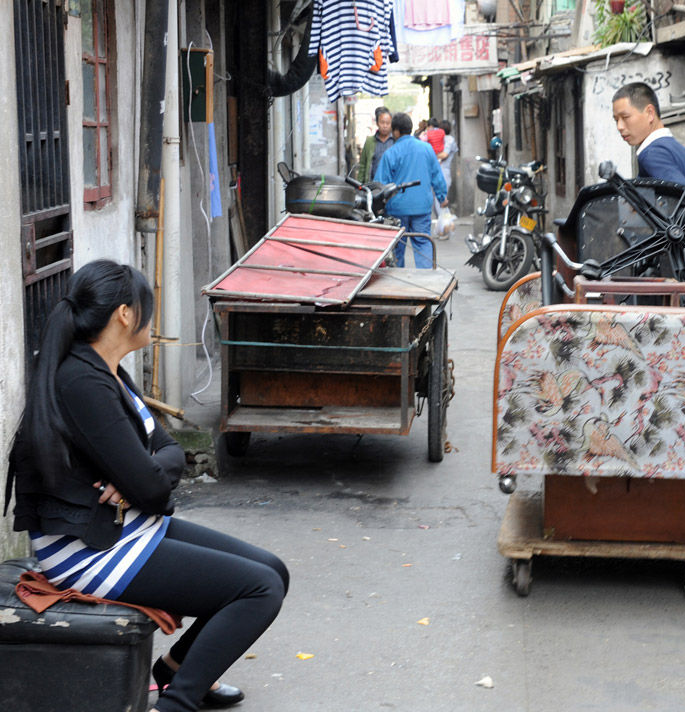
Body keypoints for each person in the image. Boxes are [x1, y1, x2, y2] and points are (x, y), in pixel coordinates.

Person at [5, 260, 289, 712]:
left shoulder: (108, 371)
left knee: (272, 570)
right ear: (124, 314)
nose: (151, 320)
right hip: (89, 550)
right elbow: (155, 489)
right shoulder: (82, 382)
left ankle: (175, 668)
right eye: (146, 309)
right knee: (258, 589)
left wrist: (144, 471)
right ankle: (177, 702)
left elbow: (169, 450)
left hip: (126, 526)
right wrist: (143, 475)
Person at [375, 112, 448, 268]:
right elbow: (437, 176)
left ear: (396, 131)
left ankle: (398, 285)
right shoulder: (427, 149)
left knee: (397, 248)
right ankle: (426, 282)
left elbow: (380, 185)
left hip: (397, 210)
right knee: (422, 243)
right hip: (421, 207)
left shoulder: (390, 153)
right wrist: (442, 197)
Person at [612, 82, 685, 185]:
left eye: (625, 117)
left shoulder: (652, 153)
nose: (619, 127)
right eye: (616, 120)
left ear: (650, 113)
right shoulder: (677, 149)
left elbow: (679, 196)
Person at [357, 106, 394, 184]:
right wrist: (359, 185)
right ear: (377, 123)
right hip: (373, 185)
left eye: (388, 123)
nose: (385, 126)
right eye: (382, 122)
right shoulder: (369, 142)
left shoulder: (395, 141)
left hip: (391, 185)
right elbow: (363, 165)